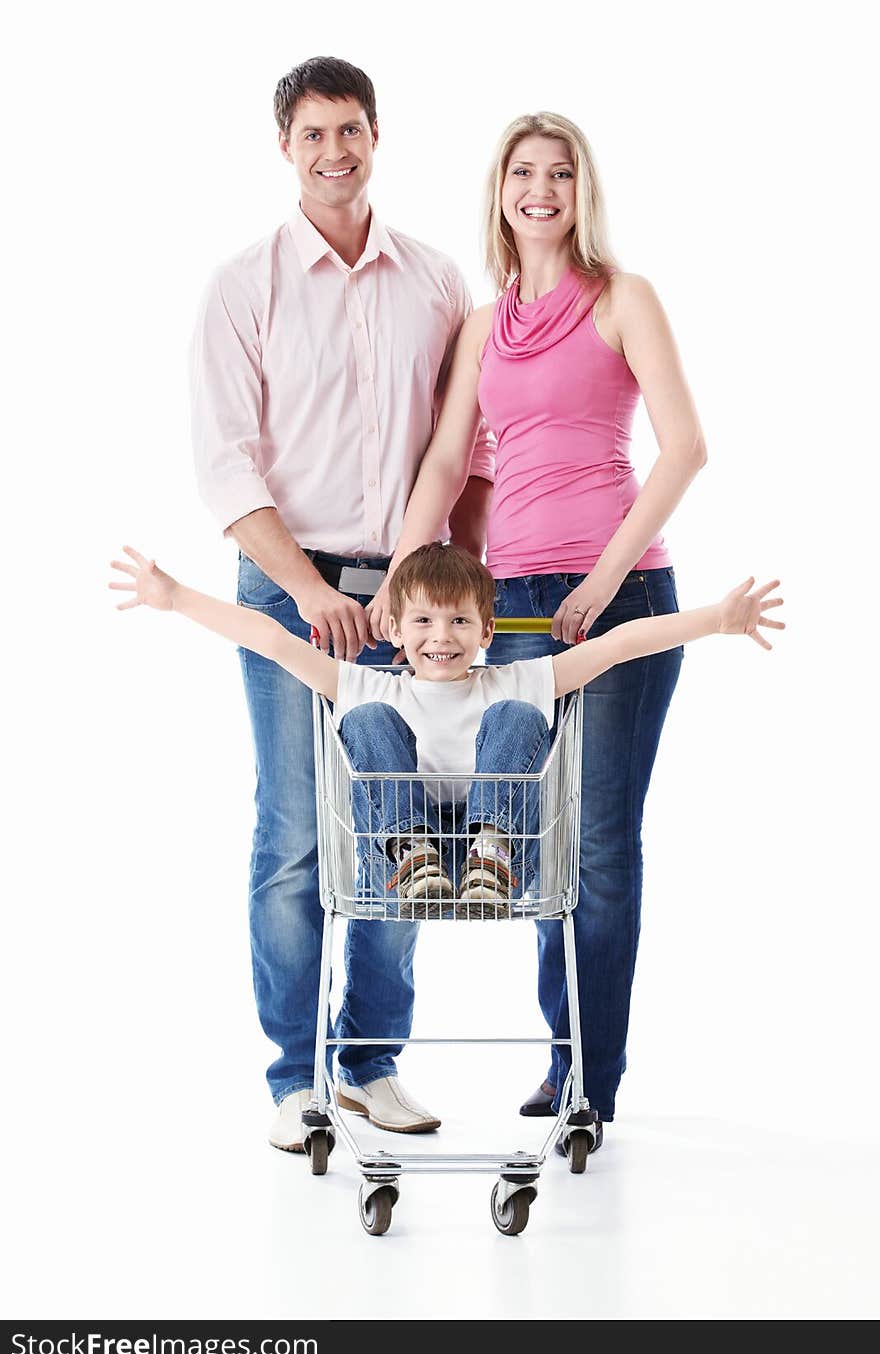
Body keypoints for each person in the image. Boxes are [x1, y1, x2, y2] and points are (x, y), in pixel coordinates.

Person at [110, 541, 784, 1157]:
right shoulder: (372, 684)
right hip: (400, 861)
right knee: (369, 722)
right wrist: (176, 599)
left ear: (487, 632)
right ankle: (413, 854)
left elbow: (618, 646)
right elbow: (271, 639)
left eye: (461, 622)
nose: (443, 637)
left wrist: (714, 618)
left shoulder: (514, 683)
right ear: (395, 632)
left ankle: (491, 853)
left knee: (520, 720)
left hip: (497, 858)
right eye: (426, 622)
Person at [365, 111, 710, 1136]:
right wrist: (399, 581)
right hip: (509, 604)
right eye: (524, 171)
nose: (541, 188)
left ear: (582, 189)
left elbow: (684, 447)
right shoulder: (484, 322)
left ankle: (585, 1078)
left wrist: (604, 578)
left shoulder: (623, 299)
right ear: (501, 189)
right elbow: (441, 463)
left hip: (619, 593)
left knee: (601, 846)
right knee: (534, 836)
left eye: (560, 172)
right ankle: (562, 1056)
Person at [188, 56, 494, 1150]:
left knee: (394, 823)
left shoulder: (436, 281)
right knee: (293, 835)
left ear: (377, 136)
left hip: (409, 596)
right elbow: (225, 470)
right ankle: (292, 1077)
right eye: (313, 134)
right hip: (287, 581)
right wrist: (312, 590)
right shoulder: (245, 283)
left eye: (350, 130)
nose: (334, 151)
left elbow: (468, 447)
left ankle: (369, 1062)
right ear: (286, 146)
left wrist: (449, 587)